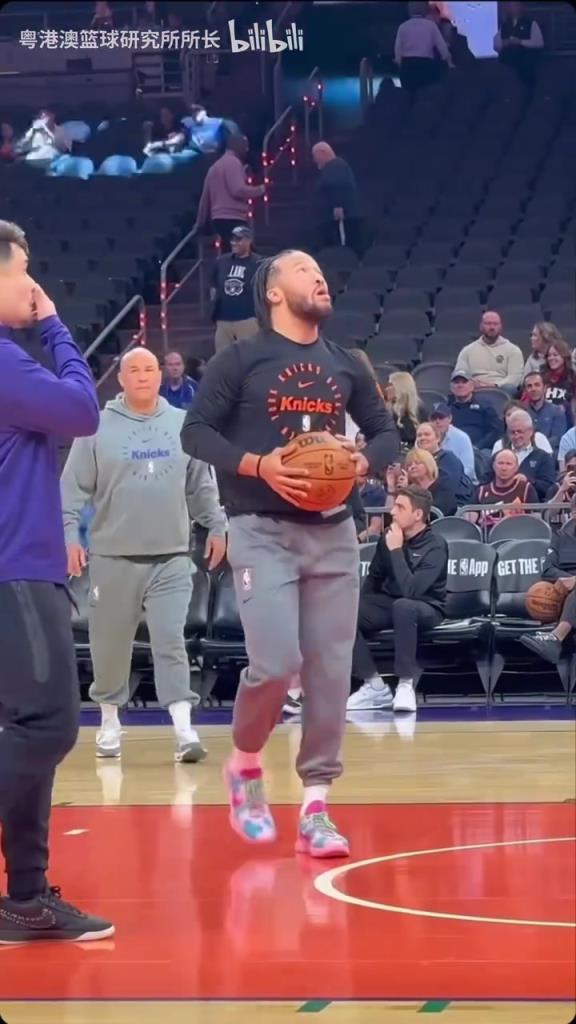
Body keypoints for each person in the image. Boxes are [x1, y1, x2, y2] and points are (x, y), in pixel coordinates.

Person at [181, 249, 400, 857]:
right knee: (276, 663)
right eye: (303, 269)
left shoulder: (345, 362)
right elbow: (194, 432)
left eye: (320, 271)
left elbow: (386, 433)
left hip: (334, 531)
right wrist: (260, 465)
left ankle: (316, 808)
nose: (318, 275)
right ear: (273, 291)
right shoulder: (240, 357)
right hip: (261, 528)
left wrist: (361, 462)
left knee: (330, 671)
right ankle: (246, 764)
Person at [0, 219, 113, 943]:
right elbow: (82, 410)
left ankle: (27, 896)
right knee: (47, 725)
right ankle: (26, 894)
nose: (34, 286)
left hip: (21, 564)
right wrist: (56, 326)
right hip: (14, 567)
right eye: (22, 271)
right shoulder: (4, 361)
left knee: (23, 728)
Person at [61, 347, 226, 762]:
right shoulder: (94, 427)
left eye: (149, 369)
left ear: (160, 375)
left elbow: (201, 485)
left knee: (171, 639)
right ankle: (109, 723)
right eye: (133, 369)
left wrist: (217, 524)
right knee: (109, 644)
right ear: (120, 378)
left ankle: (184, 730)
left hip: (171, 555)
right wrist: (69, 537)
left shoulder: (182, 423)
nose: (142, 375)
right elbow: (71, 489)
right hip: (112, 557)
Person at [347, 485, 447, 713]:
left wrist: (396, 551)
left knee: (404, 606)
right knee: (345, 610)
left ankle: (405, 684)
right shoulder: (388, 539)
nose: (392, 512)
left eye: (400, 507)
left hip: (427, 606)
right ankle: (373, 685)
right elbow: (373, 581)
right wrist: (364, 612)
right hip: (390, 604)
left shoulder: (436, 545)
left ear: (418, 514)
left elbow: (412, 591)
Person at [519, 497, 576, 665]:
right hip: (566, 598)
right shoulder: (561, 537)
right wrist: (567, 580)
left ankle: (555, 637)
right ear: (574, 514)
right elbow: (548, 570)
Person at [194, 135, 265, 253]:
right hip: (233, 218)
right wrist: (260, 190)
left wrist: (200, 222)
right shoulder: (233, 163)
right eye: (245, 146)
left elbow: (205, 198)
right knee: (246, 255)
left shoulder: (214, 167)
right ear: (236, 145)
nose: (247, 149)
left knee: (231, 253)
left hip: (218, 219)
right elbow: (238, 190)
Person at [211, 225, 260, 351]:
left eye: (238, 240)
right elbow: (213, 286)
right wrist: (213, 305)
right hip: (223, 321)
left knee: (248, 357)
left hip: (248, 319)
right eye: (232, 239)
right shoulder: (221, 261)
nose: (234, 243)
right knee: (222, 358)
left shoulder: (258, 263)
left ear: (248, 241)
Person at [311, 142, 363, 256]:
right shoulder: (334, 166)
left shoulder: (336, 166)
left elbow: (337, 185)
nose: (314, 160)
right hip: (334, 216)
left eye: (315, 156)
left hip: (341, 217)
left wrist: (338, 205)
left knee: (341, 245)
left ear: (322, 153)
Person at [491, 408, 555, 500]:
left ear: (530, 431)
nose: (516, 436)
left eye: (520, 432)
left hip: (530, 505)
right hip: (499, 504)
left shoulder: (543, 457)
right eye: (512, 432)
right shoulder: (499, 457)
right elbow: (485, 483)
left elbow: (549, 488)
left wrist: (528, 481)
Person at [454, 311, 524, 393]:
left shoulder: (513, 350)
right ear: (481, 326)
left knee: (510, 388)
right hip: (474, 390)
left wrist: (494, 385)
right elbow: (460, 374)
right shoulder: (467, 350)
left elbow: (515, 377)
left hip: (501, 390)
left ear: (501, 326)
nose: (492, 327)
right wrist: (471, 383)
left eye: (495, 324)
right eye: (488, 323)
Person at [394, 0, 453, 98]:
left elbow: (398, 50)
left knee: (409, 97)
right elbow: (442, 47)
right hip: (426, 66)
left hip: (408, 67)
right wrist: (449, 62)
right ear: (425, 10)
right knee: (426, 96)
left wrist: (400, 64)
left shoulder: (403, 27)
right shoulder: (431, 26)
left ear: (409, 10)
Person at [416, 421, 472, 508]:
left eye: (427, 434)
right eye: (419, 435)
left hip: (451, 510)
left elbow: (447, 491)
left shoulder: (448, 458)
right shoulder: (416, 462)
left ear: (438, 438)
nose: (422, 438)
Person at [476, 449, 538, 525]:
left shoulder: (526, 489)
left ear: (516, 468)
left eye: (508, 464)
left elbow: (537, 518)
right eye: (500, 463)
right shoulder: (481, 491)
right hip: (487, 532)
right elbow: (469, 520)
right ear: (493, 466)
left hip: (517, 531)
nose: (504, 468)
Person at [494, 1, 543, 91]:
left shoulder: (531, 23)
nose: (512, 8)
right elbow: (496, 44)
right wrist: (504, 43)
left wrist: (520, 42)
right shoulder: (505, 25)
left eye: (515, 5)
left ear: (521, 7)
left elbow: (539, 42)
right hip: (508, 66)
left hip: (526, 66)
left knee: (526, 89)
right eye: (510, 6)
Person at [448, 370, 502, 451]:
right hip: (452, 449)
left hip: (480, 449)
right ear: (451, 387)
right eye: (456, 382)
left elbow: (495, 431)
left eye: (464, 382)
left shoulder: (484, 405)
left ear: (472, 385)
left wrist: (478, 446)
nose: (460, 385)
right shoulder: (446, 408)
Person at [404, 445, 458, 516]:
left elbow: (438, 514)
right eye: (409, 465)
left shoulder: (443, 488)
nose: (412, 467)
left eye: (417, 463)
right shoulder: (410, 491)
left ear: (428, 464)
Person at [429, 401, 476, 482]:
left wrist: (448, 480)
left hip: (461, 482)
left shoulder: (462, 438)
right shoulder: (425, 438)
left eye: (441, 417)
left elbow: (468, 469)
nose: (437, 421)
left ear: (450, 418)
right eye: (434, 418)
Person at [522, 372, 567, 455]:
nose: (533, 389)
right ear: (525, 390)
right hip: (524, 452)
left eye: (537, 385)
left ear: (545, 388)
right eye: (529, 386)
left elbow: (557, 439)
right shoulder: (520, 411)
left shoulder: (557, 411)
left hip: (549, 453)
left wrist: (537, 448)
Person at [388, 370, 428, 451]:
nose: (387, 388)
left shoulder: (419, 410)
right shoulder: (387, 409)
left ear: (401, 388)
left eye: (391, 385)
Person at [542, 337, 574, 418]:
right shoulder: (541, 377)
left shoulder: (573, 377)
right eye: (549, 355)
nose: (551, 358)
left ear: (564, 356)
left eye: (555, 355)